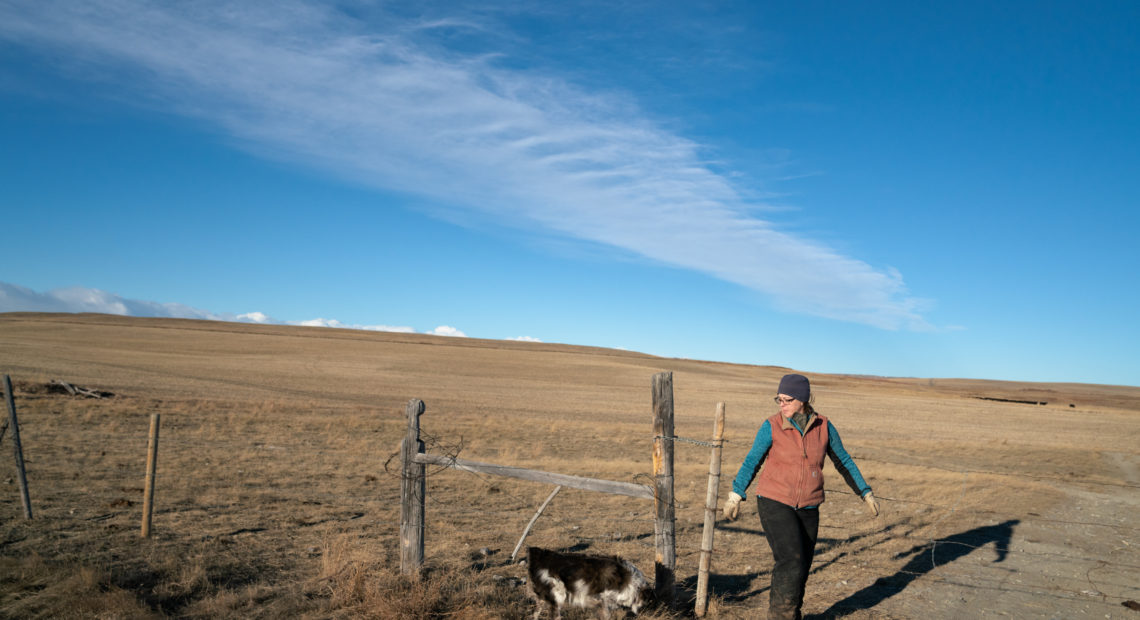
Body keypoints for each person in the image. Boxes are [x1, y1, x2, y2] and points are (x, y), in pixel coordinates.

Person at [723, 373, 879, 620]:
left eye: (787, 399)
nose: (781, 404)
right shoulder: (772, 425)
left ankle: (791, 614)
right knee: (791, 559)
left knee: (802, 565)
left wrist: (865, 492)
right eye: (779, 399)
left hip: (809, 506)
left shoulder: (824, 426)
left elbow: (843, 461)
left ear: (803, 400)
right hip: (774, 500)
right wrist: (736, 493)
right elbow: (753, 460)